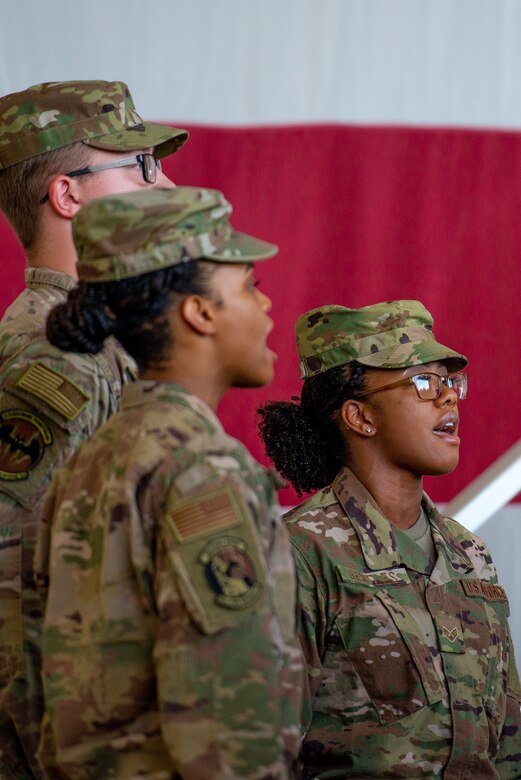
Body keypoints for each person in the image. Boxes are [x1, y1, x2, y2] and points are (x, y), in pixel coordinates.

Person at [35, 186, 304, 778]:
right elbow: (231, 725)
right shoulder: (202, 466)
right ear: (200, 312)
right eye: (250, 286)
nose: (267, 308)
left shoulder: (93, 456)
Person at [0, 79, 188, 778]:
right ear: (66, 195)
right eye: (139, 166)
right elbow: (13, 581)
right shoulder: (57, 353)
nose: (164, 182)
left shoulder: (101, 341)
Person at [258, 301, 521, 778]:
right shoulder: (302, 551)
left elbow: (508, 747)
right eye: (424, 383)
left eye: (450, 383)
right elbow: (254, 749)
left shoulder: (471, 555)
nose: (448, 399)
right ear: (360, 417)